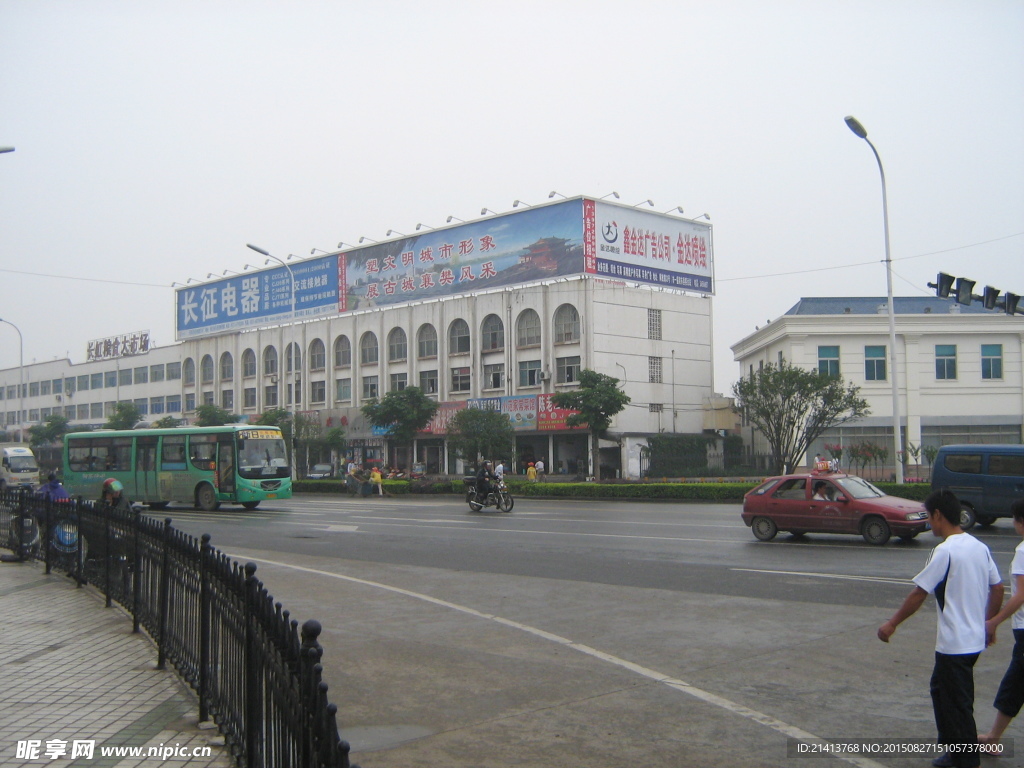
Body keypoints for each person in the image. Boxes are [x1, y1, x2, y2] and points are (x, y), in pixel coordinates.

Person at [877, 489, 1003, 768]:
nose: (929, 524)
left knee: (957, 703)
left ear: (938, 515)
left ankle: (966, 760)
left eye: (929, 517)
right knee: (942, 692)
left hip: (954, 645)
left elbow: (919, 593)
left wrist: (891, 624)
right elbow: (998, 586)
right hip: (972, 642)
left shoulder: (945, 550)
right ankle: (955, 752)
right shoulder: (978, 546)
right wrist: (988, 623)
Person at [978, 499, 1024, 752]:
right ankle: (993, 738)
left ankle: (993, 738)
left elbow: (1020, 595)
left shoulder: (1023, 551)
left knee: (1014, 685)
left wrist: (994, 621)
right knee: (1015, 684)